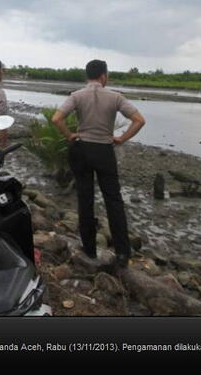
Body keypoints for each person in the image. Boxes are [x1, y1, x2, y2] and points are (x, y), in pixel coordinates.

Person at [51, 59, 145, 270]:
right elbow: (139, 120)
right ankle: (122, 253)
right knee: (113, 200)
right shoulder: (115, 97)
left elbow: (57, 118)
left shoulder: (76, 95)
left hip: (82, 149)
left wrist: (70, 136)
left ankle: (90, 248)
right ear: (104, 76)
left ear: (88, 75)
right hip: (104, 150)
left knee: (85, 198)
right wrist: (121, 138)